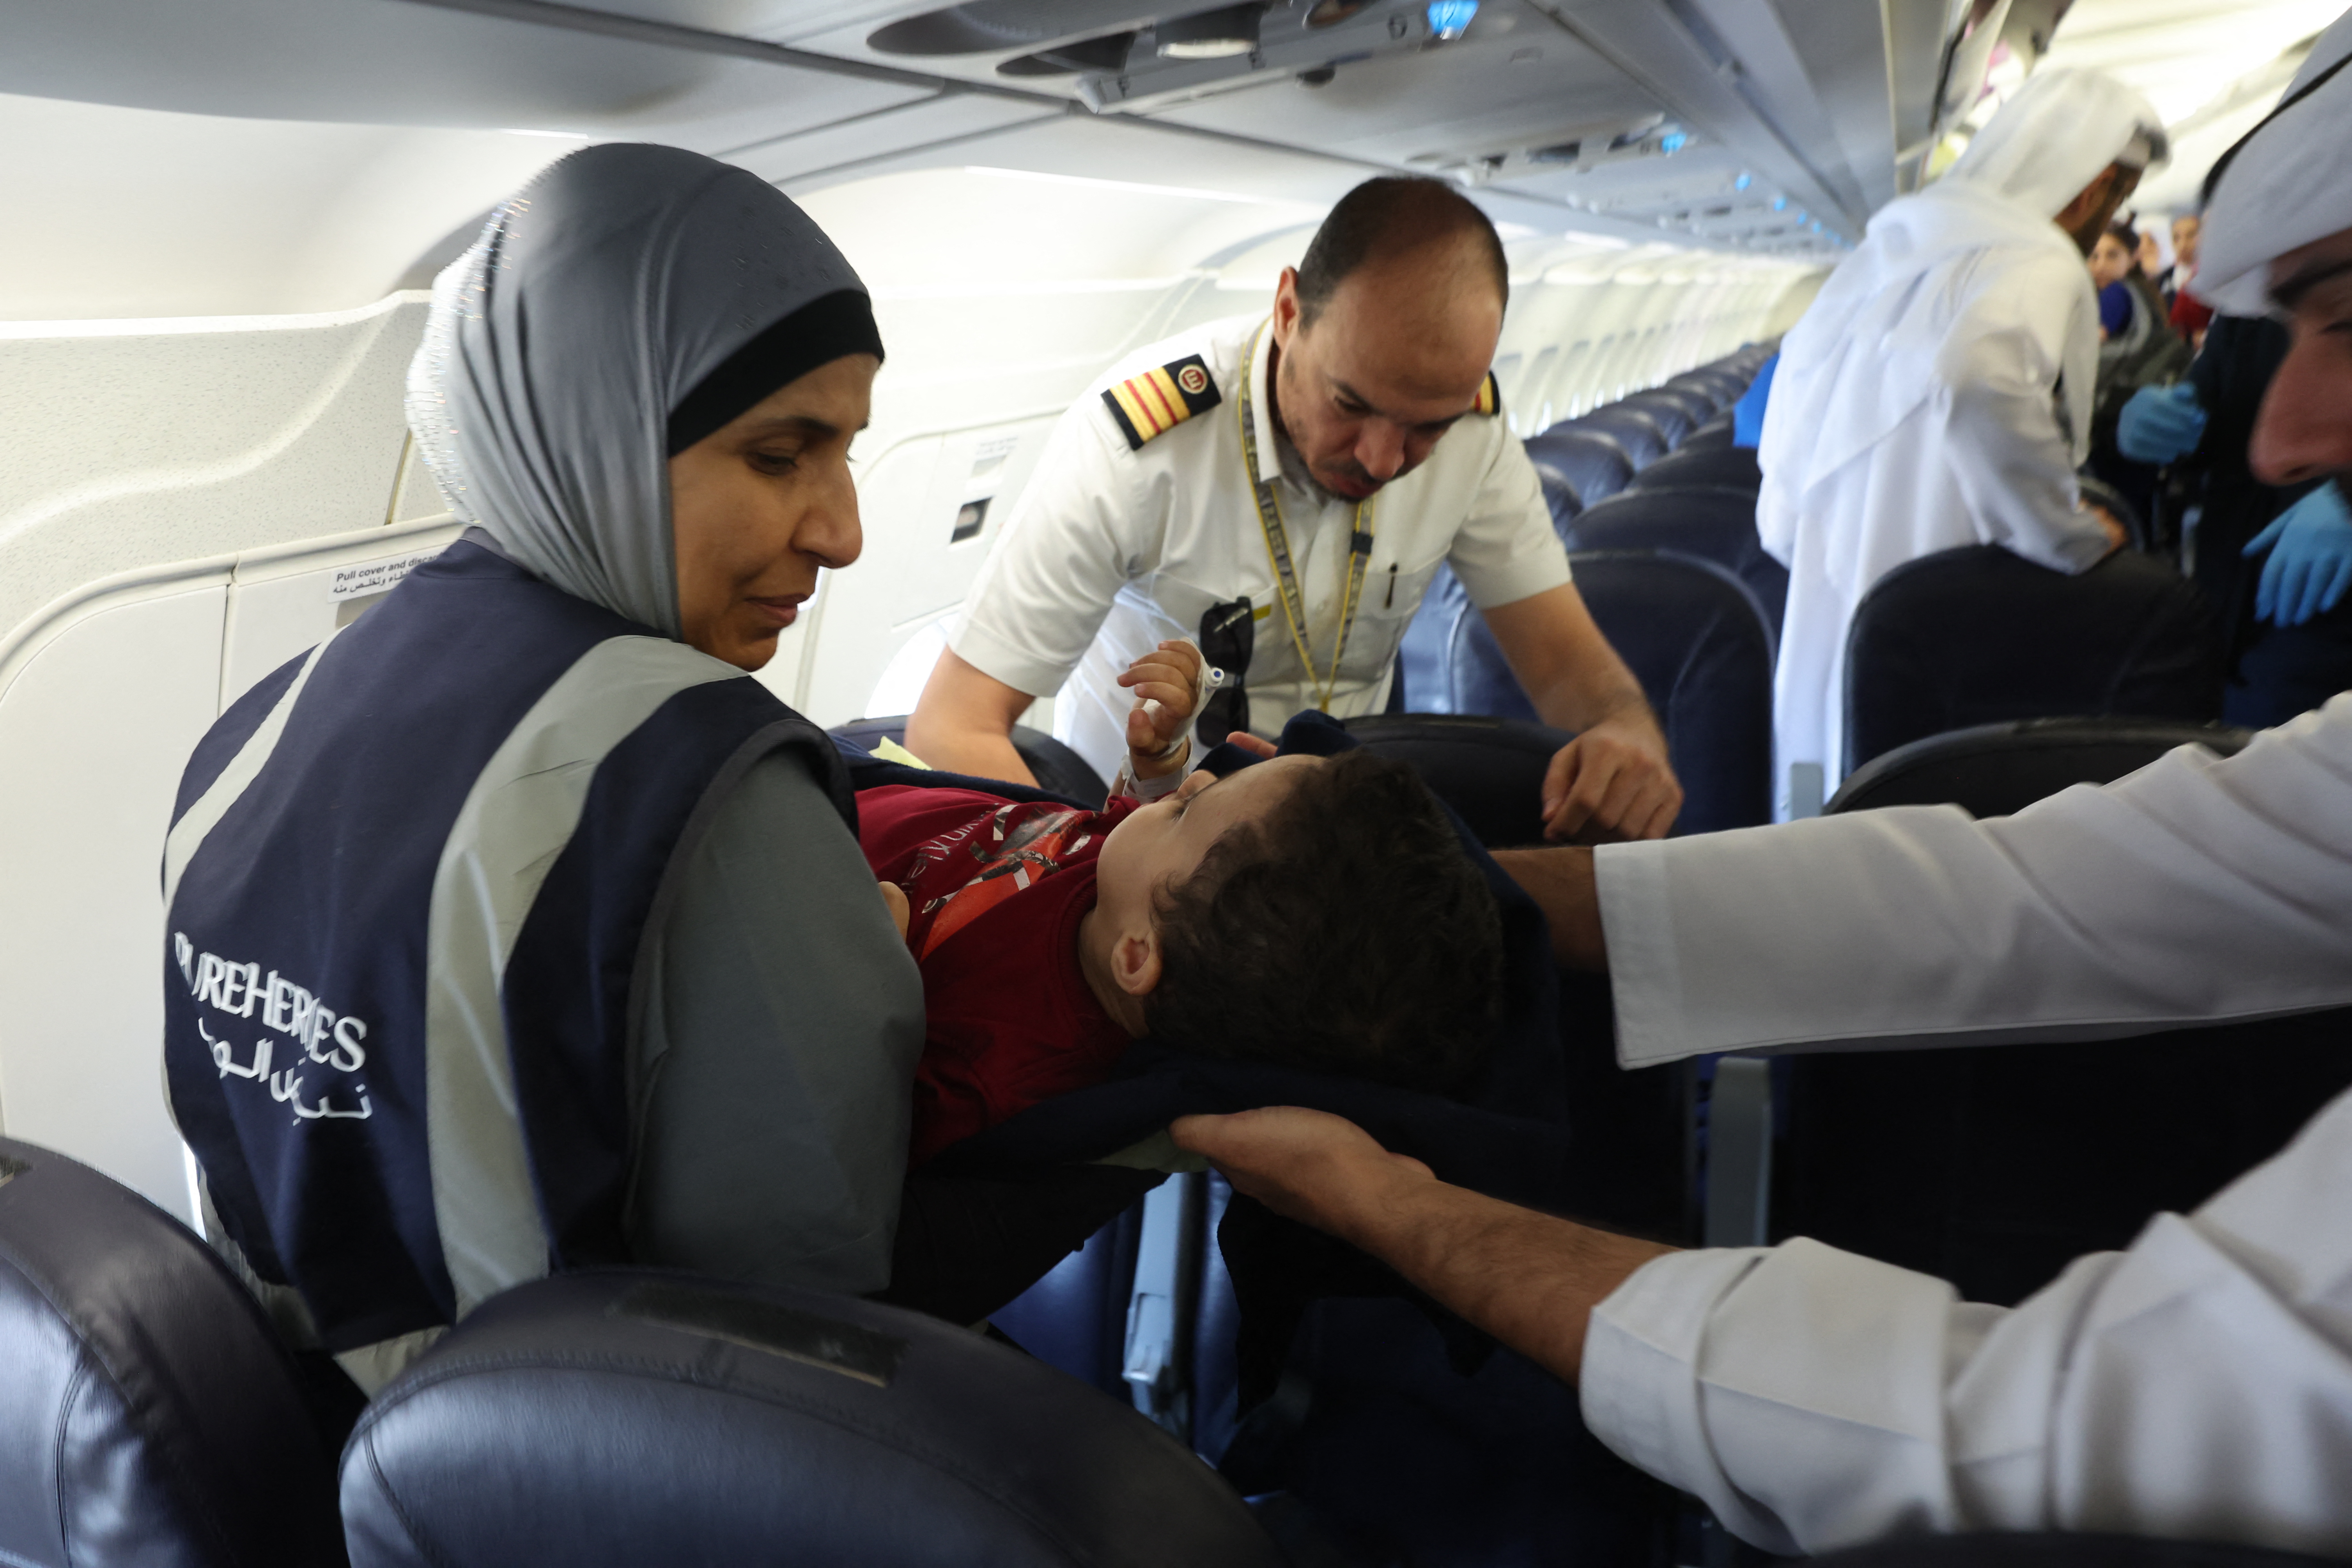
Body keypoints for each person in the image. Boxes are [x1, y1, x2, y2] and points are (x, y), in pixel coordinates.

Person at [1176, 13, 2352, 1556]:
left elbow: (2040, 1431)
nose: (2282, 432)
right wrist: (1443, 885)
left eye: (2346, 318)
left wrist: (1413, 1217)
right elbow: (2027, 896)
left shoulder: (1925, 250)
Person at [161, 145, 925, 1395]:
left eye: (846, 454)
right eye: (782, 456)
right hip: (572, 1485)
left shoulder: (250, 732)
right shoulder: (708, 786)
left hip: (296, 1455)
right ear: (599, 433)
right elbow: (806, 1308)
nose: (842, 529)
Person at [905, 176, 1683, 845]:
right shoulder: (1138, 446)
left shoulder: (1474, 431)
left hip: (1336, 836)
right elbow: (954, 723)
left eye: (1426, 428)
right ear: (1287, 311)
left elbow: (1562, 661)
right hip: (1144, 830)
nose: (1383, 459)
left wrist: (1626, 731)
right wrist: (1087, 882)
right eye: (1351, 402)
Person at [863, 657, 1503, 1166]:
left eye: (1190, 808)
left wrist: (861, 990)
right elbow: (1110, 834)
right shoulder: (1133, 900)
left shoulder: (998, 1067)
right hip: (859, 788)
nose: (1199, 779)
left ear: (1137, 956)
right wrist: (1158, 770)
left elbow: (853, 1114)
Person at [1755, 69, 2163, 815]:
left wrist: (1816, 543)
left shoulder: (1888, 251)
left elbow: (1790, 415)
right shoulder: (2034, 256)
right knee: (1927, 808)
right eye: (2116, 202)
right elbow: (1983, 374)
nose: (2105, 224)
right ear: (2087, 187)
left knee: (1824, 781)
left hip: (1831, 577)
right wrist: (2064, 535)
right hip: (1946, 596)